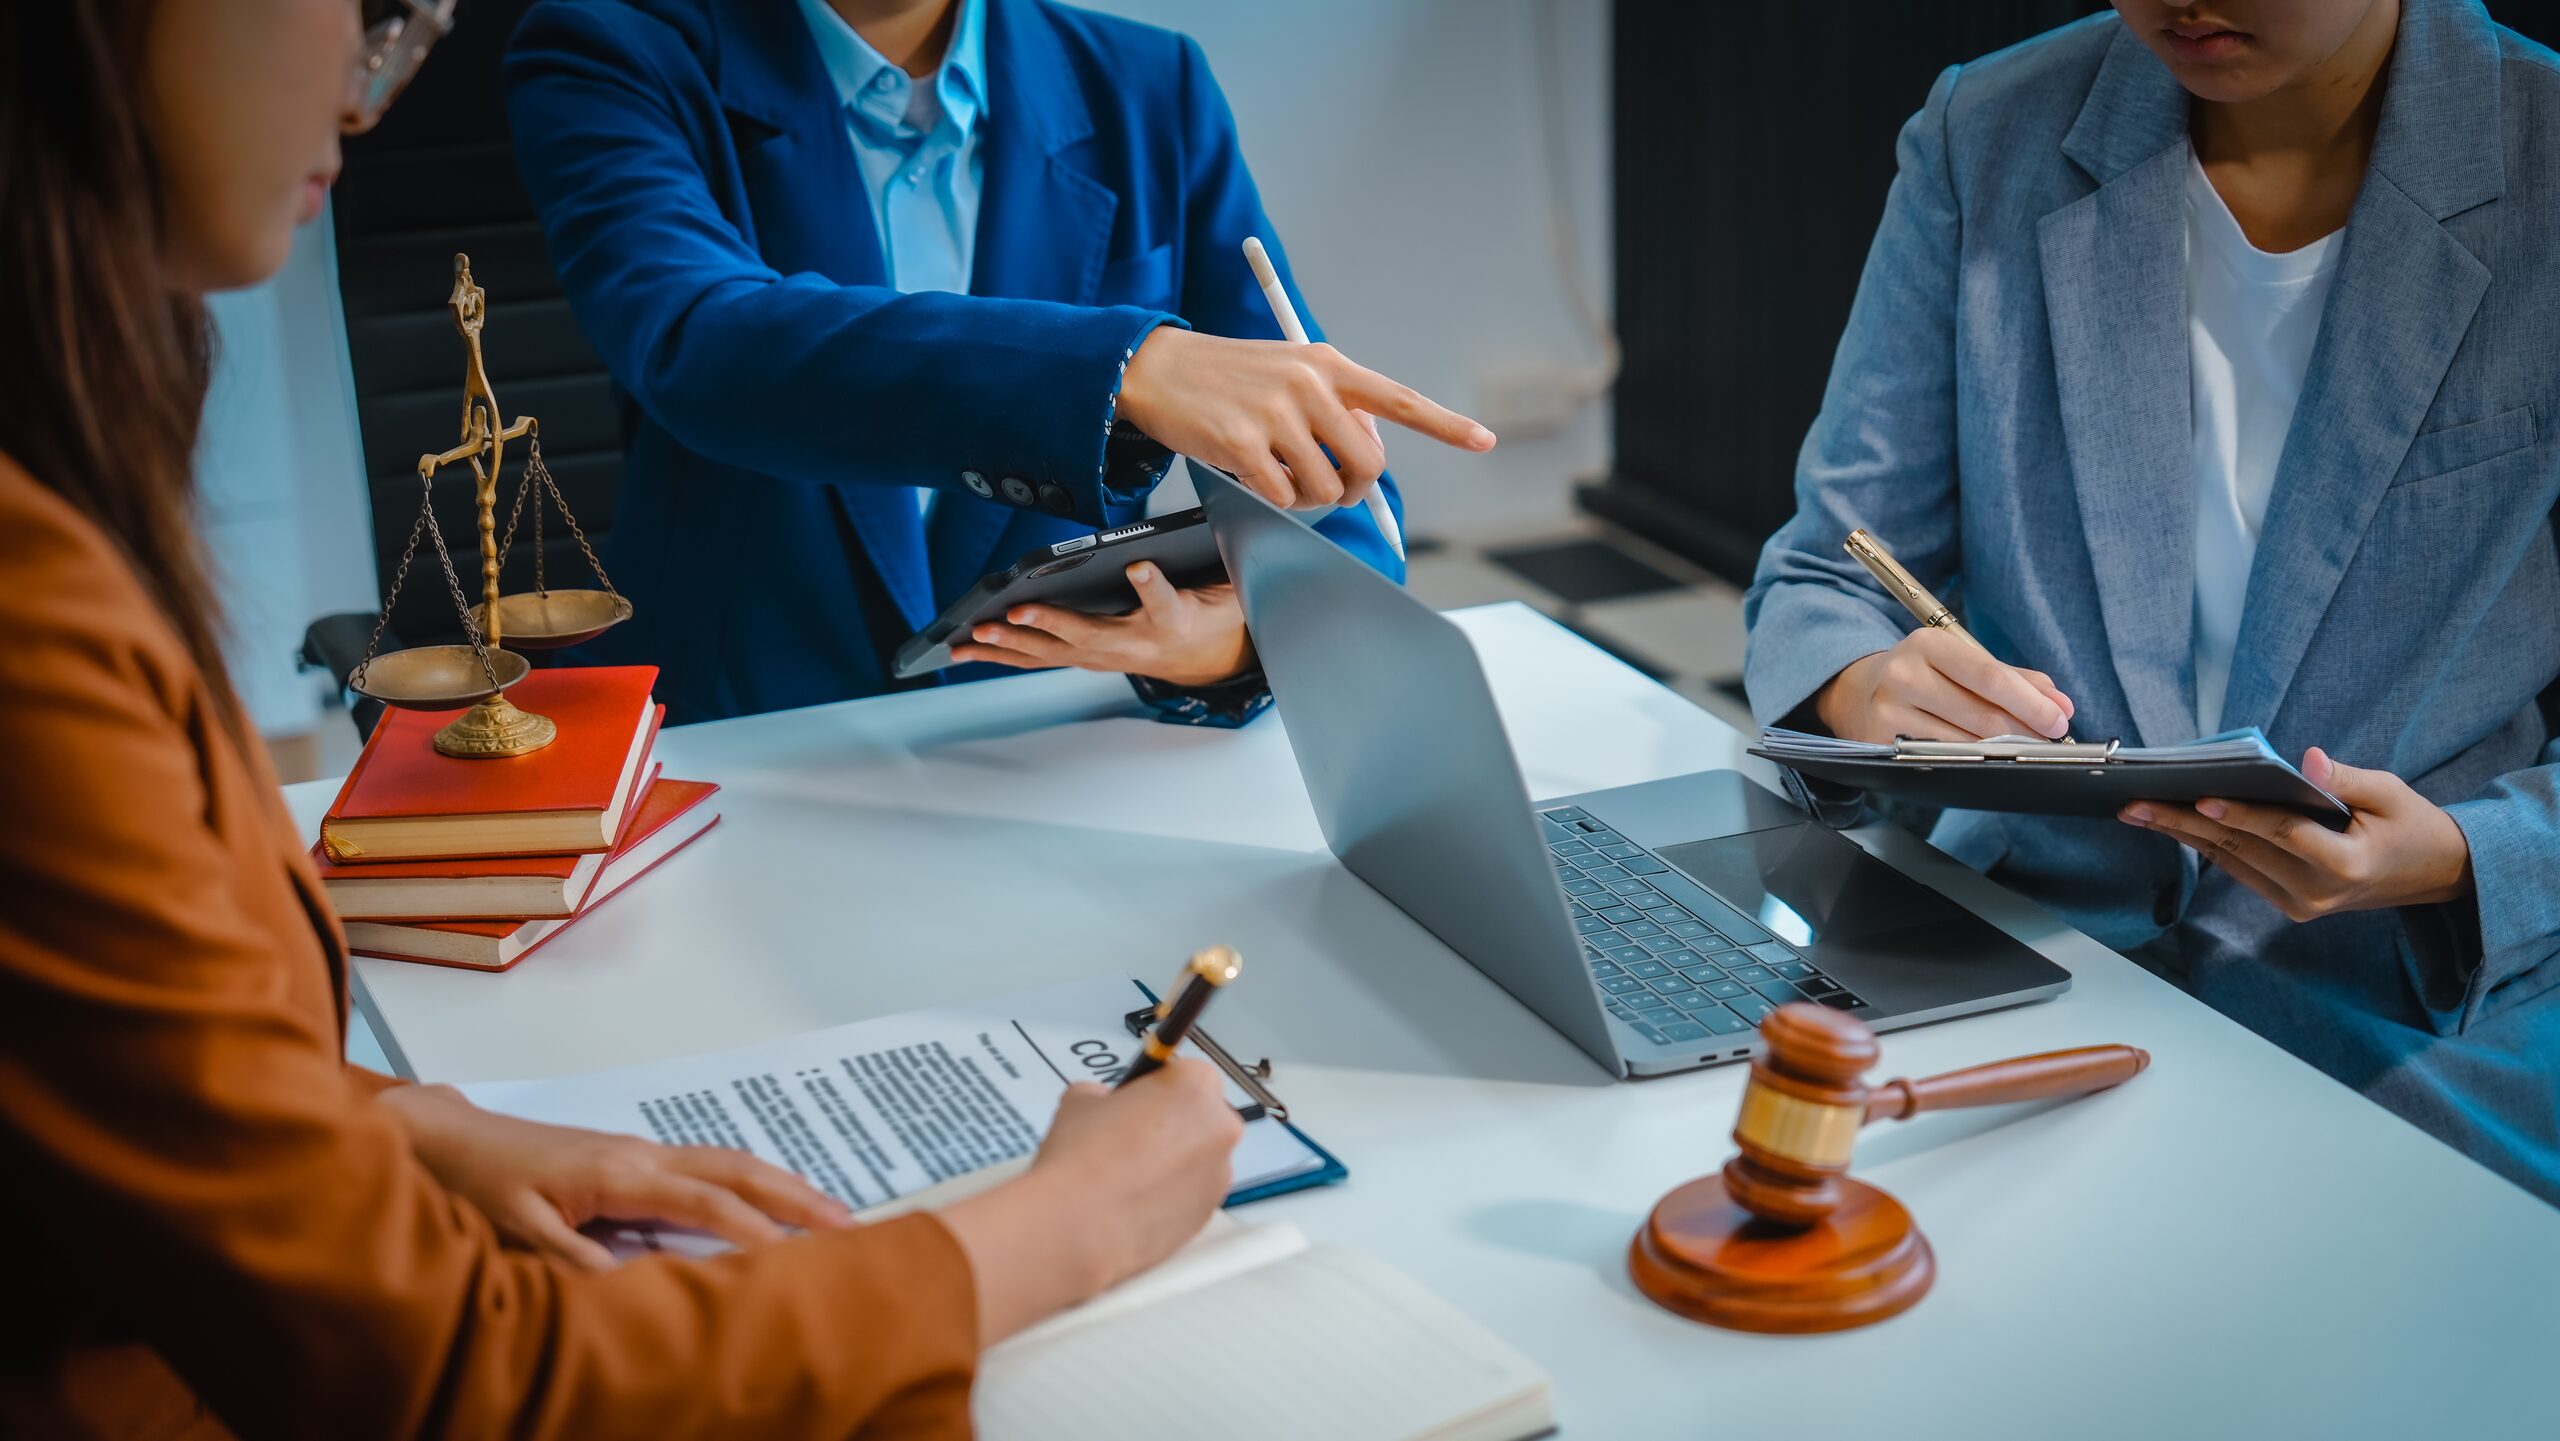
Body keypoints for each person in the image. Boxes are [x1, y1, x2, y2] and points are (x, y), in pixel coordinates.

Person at [0, 2, 1247, 1435]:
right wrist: (1058, 1230)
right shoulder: (39, 616)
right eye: (367, 12)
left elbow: (117, 1102)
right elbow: (457, 1372)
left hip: (1036, 814)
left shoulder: (1144, 80)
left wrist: (388, 1126)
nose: (365, 98)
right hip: (740, 809)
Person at [1744, 0, 2560, 1204]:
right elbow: (1826, 570)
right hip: (2020, 941)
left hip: (2420, 997)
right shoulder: (1994, 131)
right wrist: (1866, 687)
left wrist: (2465, 857)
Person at [503, 0, 1496, 726]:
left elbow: (1340, 516)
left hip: (1037, 735)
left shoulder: (1152, 88)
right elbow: (700, 340)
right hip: (732, 730)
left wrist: (1235, 638)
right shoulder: (608, 48)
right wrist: (1127, 367)